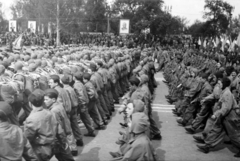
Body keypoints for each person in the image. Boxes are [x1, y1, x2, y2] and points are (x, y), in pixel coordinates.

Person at [24, 89, 66, 161]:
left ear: (30, 103)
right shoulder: (50, 112)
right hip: (52, 145)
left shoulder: (31, 118)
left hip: (41, 149)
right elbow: (59, 131)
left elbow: (28, 137)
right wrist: (63, 143)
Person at [44, 88, 75, 160]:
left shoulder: (54, 111)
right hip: (63, 135)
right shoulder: (58, 105)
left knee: (64, 156)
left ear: (54, 100)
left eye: (46, 99)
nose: (44, 101)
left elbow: (57, 127)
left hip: (59, 138)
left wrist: (59, 140)